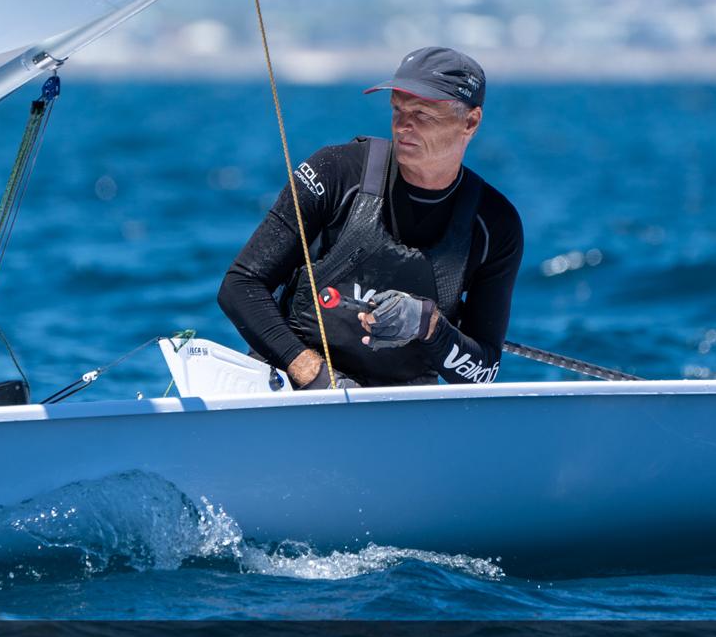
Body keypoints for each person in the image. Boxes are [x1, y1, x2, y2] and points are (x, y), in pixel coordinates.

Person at [219, 47, 524, 388]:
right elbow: (240, 285)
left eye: (422, 114)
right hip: (292, 387)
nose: (403, 126)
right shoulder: (334, 173)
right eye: (397, 109)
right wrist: (314, 374)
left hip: (399, 407)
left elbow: (484, 372)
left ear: (470, 122)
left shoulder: (495, 224)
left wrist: (430, 326)